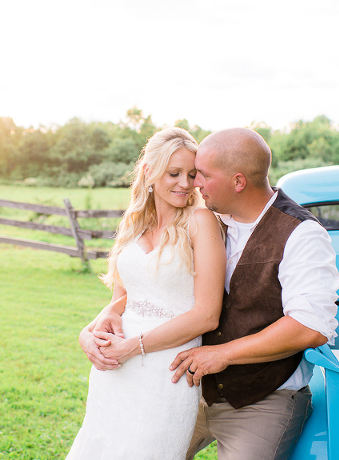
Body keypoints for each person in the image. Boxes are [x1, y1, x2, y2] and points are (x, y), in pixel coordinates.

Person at [167, 128, 339, 460]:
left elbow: (310, 326)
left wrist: (222, 354)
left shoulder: (301, 234)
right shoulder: (203, 219)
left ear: (238, 181)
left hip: (264, 400)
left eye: (202, 174)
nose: (193, 183)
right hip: (190, 392)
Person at [66, 127, 226, 460]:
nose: (185, 183)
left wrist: (132, 347)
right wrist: (89, 331)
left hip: (167, 370)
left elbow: (207, 314)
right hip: (115, 370)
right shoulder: (134, 223)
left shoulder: (201, 222)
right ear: (148, 172)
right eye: (174, 173)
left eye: (192, 174)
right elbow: (124, 298)